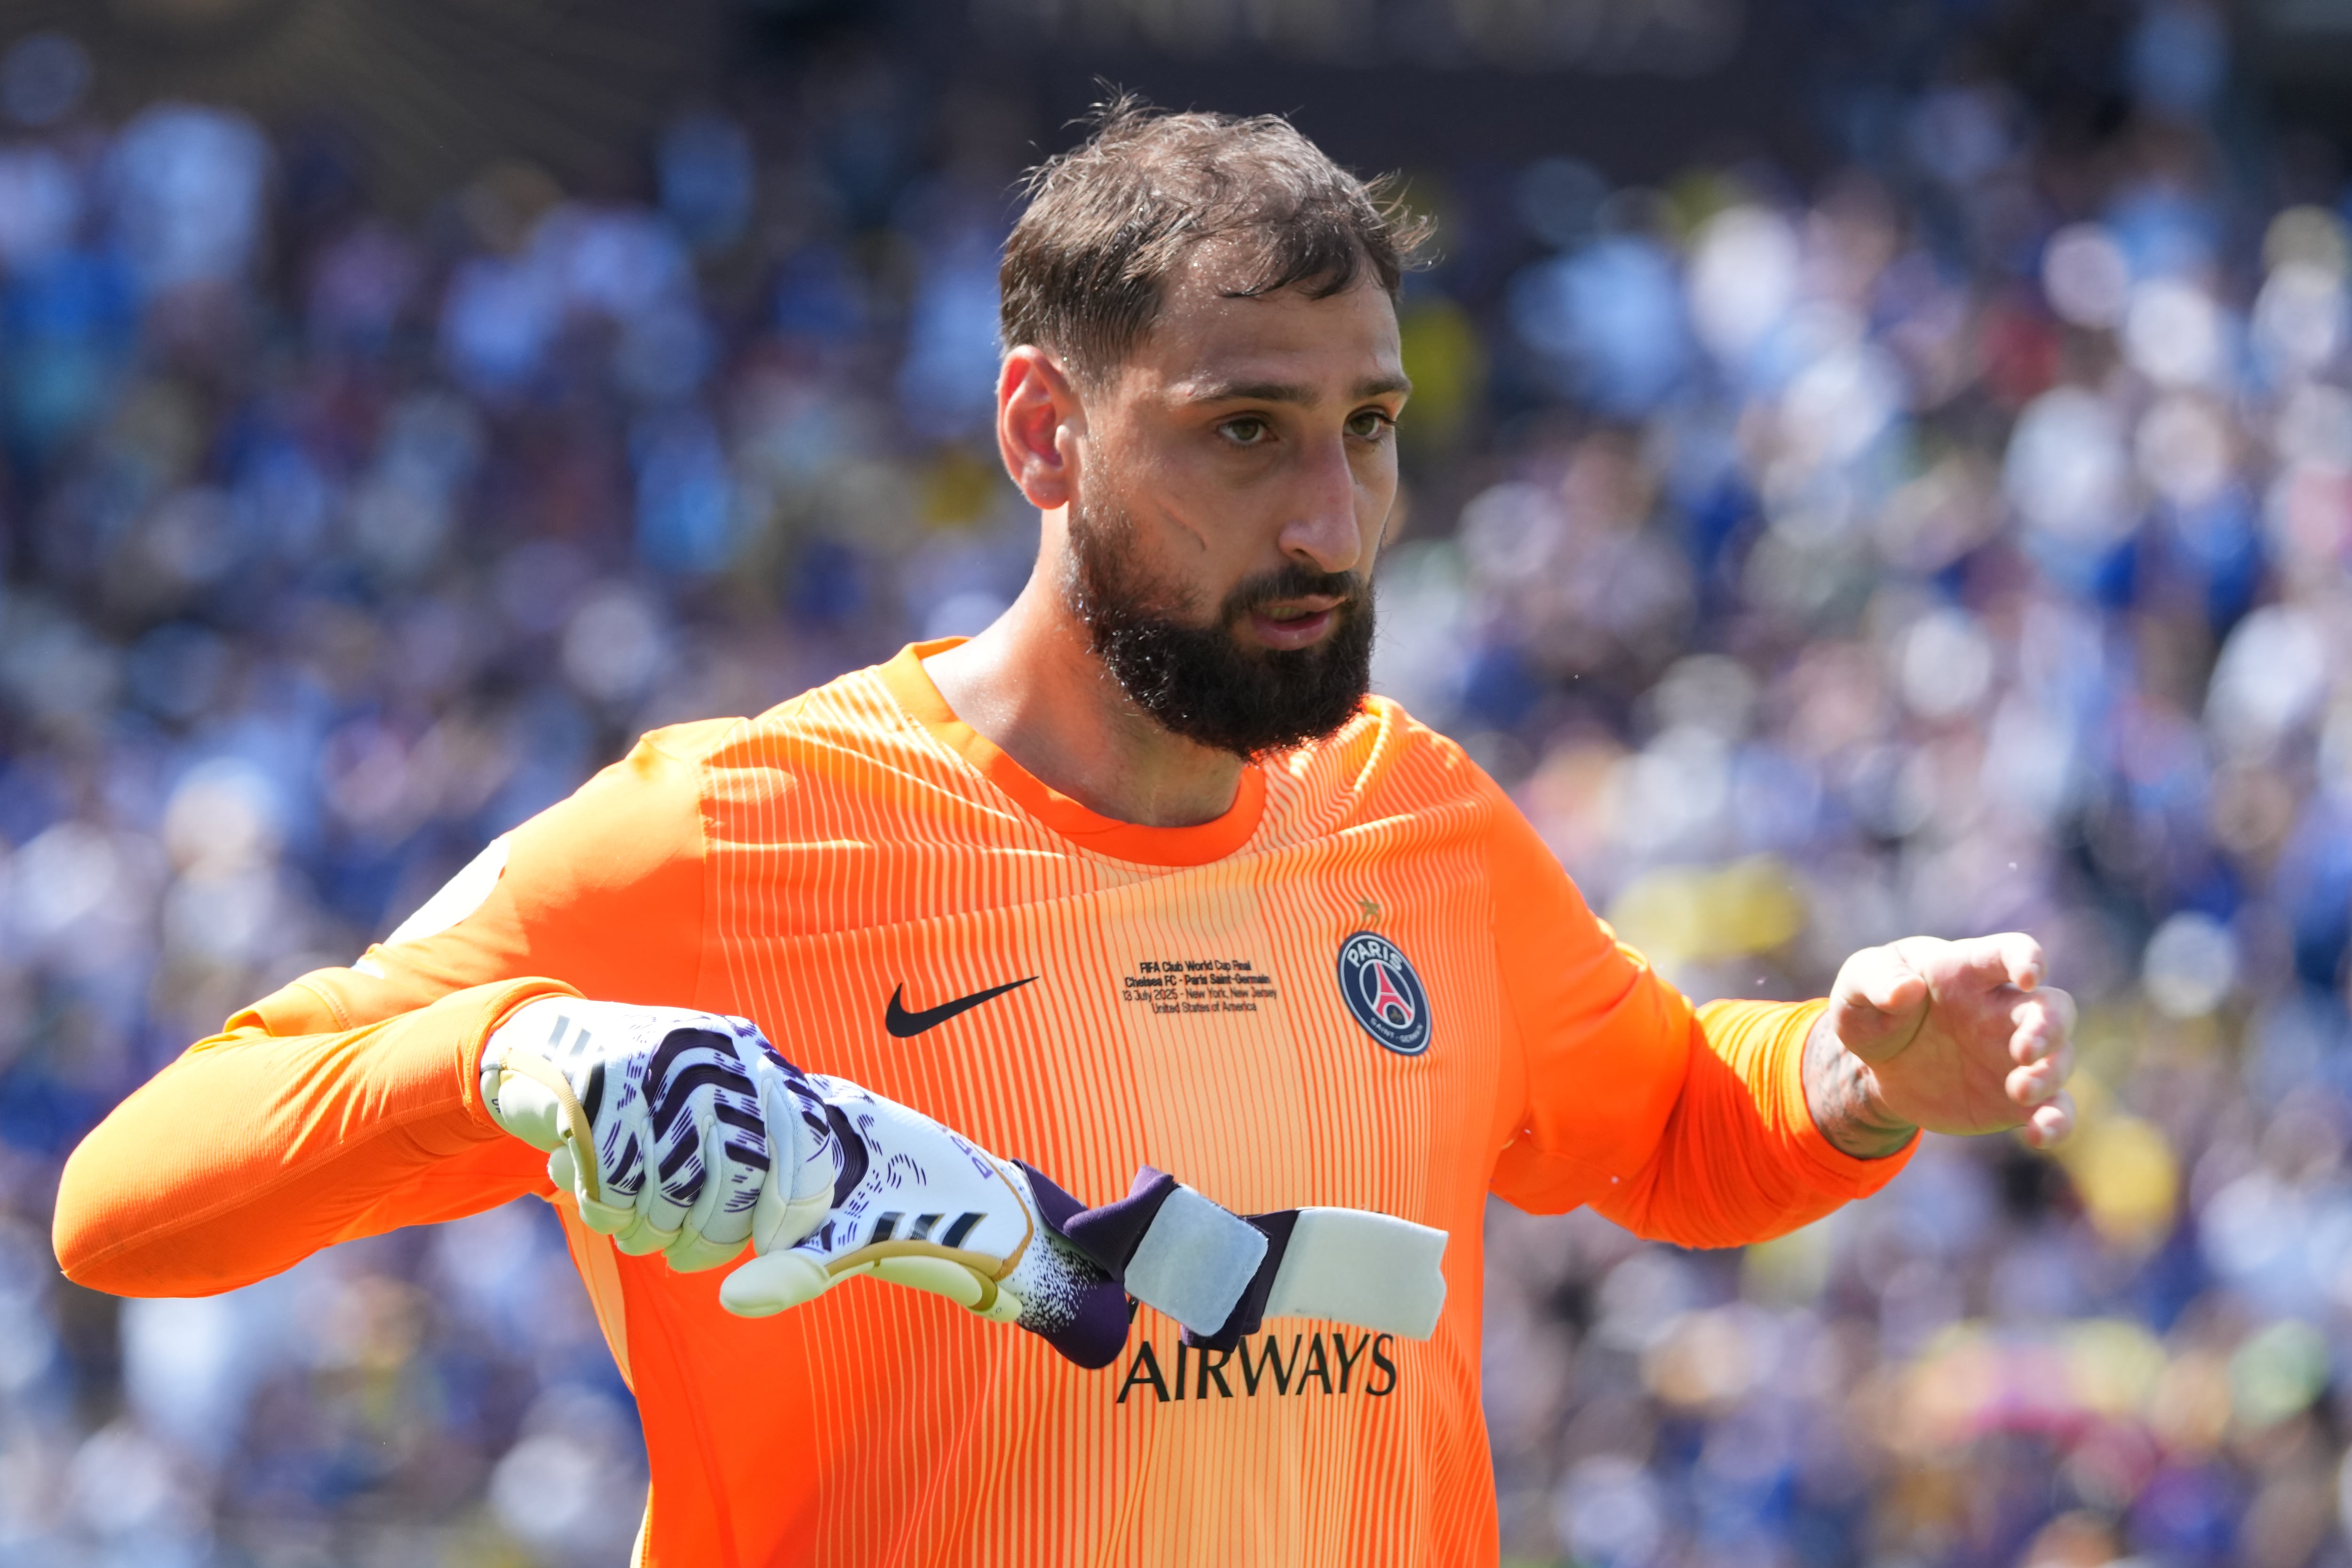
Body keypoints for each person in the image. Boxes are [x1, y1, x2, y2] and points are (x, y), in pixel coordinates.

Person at [51, 101, 2076, 1567]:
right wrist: (510, 1059)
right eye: (1244, 429)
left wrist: (1846, 1077)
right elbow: (126, 1208)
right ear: (1042, 431)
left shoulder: (1415, 823)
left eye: (1367, 429)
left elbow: (1669, 1126)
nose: (1330, 522)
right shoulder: (727, 833)